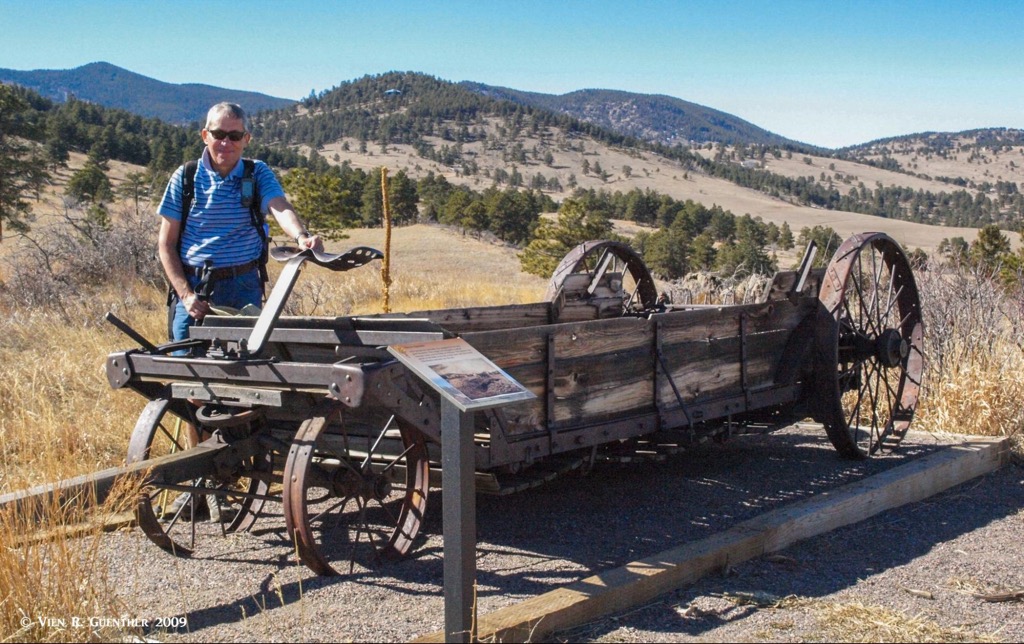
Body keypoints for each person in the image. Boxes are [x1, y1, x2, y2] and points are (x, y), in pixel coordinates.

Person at [157, 102, 323, 342]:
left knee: (245, 362)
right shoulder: (185, 177)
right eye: (218, 134)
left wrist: (301, 236)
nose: (226, 143)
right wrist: (185, 295)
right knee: (188, 362)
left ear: (246, 139)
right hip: (194, 288)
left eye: (234, 136)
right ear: (205, 136)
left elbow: (279, 206)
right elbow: (166, 244)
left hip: (243, 287)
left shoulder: (257, 173)